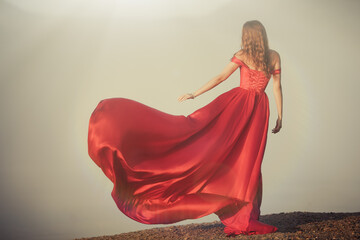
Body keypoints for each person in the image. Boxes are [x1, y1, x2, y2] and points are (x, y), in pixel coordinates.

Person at [88, 20, 282, 236]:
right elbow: (276, 87)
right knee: (247, 160)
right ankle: (245, 215)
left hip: (240, 106)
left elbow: (221, 77)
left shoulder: (244, 54)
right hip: (256, 109)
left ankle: (244, 214)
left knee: (240, 156)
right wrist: (280, 116)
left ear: (247, 36)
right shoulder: (273, 56)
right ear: (262, 35)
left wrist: (195, 93)